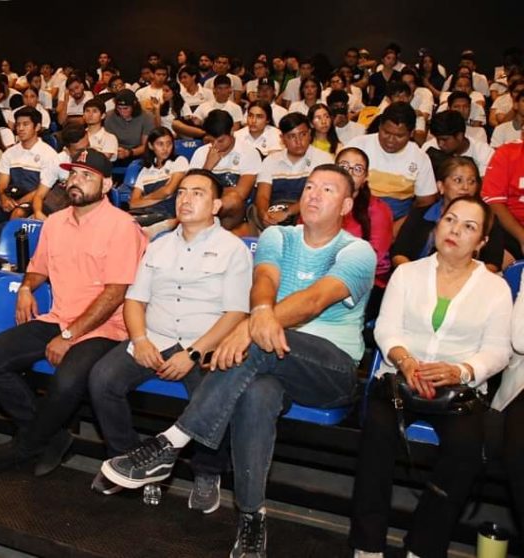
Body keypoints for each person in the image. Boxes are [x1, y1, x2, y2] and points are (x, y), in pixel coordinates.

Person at [102, 164, 375, 558]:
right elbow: (264, 281)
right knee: (256, 396)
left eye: (327, 190)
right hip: (272, 359)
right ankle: (251, 516)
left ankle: (170, 443)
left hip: (328, 369)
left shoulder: (356, 250)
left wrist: (248, 327)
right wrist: (259, 316)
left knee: (256, 344)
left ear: (347, 205)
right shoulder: (278, 235)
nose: (313, 195)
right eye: (309, 187)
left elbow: (313, 301)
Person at [350, 196, 511, 558]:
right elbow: (386, 329)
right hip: (400, 380)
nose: (455, 230)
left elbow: (498, 350)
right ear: (437, 225)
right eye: (450, 220)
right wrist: (406, 361)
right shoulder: (407, 273)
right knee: (377, 434)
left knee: (466, 450)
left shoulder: (495, 288)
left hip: (458, 391)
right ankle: (367, 545)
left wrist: (460, 370)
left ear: (482, 242)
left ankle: (423, 547)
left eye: (469, 226)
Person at [0, 150, 147, 476]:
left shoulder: (122, 227)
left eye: (87, 175)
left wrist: (69, 336)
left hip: (105, 328)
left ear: (107, 185)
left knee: (66, 381)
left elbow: (115, 294)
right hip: (59, 316)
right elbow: (38, 267)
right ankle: (50, 436)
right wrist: (26, 288)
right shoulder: (55, 222)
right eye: (73, 174)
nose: (76, 181)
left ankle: (24, 447)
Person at [88, 169, 252, 502]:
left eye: (198, 193)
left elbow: (236, 313)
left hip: (204, 344)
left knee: (213, 398)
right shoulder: (159, 245)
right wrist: (140, 340)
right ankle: (134, 461)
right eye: (182, 192)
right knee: (102, 380)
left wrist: (192, 353)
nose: (186, 199)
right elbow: (135, 300)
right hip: (155, 337)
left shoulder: (233, 249)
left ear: (216, 205)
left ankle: (207, 472)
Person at [398, 157, 504, 270]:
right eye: (458, 180)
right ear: (441, 186)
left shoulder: (488, 218)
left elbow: (493, 264)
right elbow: (399, 254)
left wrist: (462, 278)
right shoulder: (421, 213)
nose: (466, 187)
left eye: (471, 182)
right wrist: (416, 274)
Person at [0, 107, 59, 233]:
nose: (20, 128)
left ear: (37, 127)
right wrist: (3, 197)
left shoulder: (49, 154)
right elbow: (2, 184)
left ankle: (2, 245)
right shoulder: (9, 153)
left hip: (35, 201)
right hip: (10, 198)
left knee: (17, 214)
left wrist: (18, 203)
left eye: (25, 124)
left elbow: (44, 189)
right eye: (18, 124)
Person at [347, 103, 438, 221]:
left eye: (399, 136)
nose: (390, 140)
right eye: (386, 133)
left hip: (397, 221)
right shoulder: (358, 146)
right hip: (354, 215)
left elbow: (426, 201)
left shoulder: (420, 158)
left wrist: (401, 225)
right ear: (380, 127)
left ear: (411, 133)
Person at [250, 112, 333, 233]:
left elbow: (321, 197)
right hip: (275, 215)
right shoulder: (271, 161)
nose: (299, 141)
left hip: (308, 217)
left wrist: (287, 212)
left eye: (303, 134)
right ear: (282, 139)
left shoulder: (324, 159)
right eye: (291, 136)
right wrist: (264, 214)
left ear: (310, 134)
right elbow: (263, 196)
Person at [336, 147, 394, 312]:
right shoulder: (321, 201)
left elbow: (373, 258)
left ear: (366, 177)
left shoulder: (379, 210)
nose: (349, 173)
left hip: (365, 282)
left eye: (357, 169)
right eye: (344, 166)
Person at [189, 110, 262, 231]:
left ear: (232, 131)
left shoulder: (249, 152)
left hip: (235, 212)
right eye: (211, 141)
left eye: (220, 141)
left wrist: (208, 194)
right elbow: (191, 189)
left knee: (233, 199)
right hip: (205, 207)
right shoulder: (201, 153)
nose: (215, 145)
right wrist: (207, 167)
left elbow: (241, 193)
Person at [128, 127, 189, 222]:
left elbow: (168, 191)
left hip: (167, 214)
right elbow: (133, 203)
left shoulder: (179, 161)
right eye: (160, 144)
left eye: (169, 143)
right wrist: (161, 196)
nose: (165, 148)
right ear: (151, 146)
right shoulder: (145, 170)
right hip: (145, 213)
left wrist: (144, 199)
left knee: (130, 223)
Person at [482, 139, 524, 259]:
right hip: (510, 229)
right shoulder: (507, 153)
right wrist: (522, 237)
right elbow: (494, 203)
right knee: (494, 262)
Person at [422, 111, 494, 178]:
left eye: (444, 140)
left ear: (459, 136)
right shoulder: (429, 147)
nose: (440, 144)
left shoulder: (484, 152)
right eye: (437, 139)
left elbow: (486, 183)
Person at [105, 90, 156, 162]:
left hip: (137, 155)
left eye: (126, 108)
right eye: (119, 108)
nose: (122, 112)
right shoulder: (109, 116)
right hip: (115, 153)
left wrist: (129, 153)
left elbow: (145, 146)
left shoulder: (147, 117)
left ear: (134, 105)